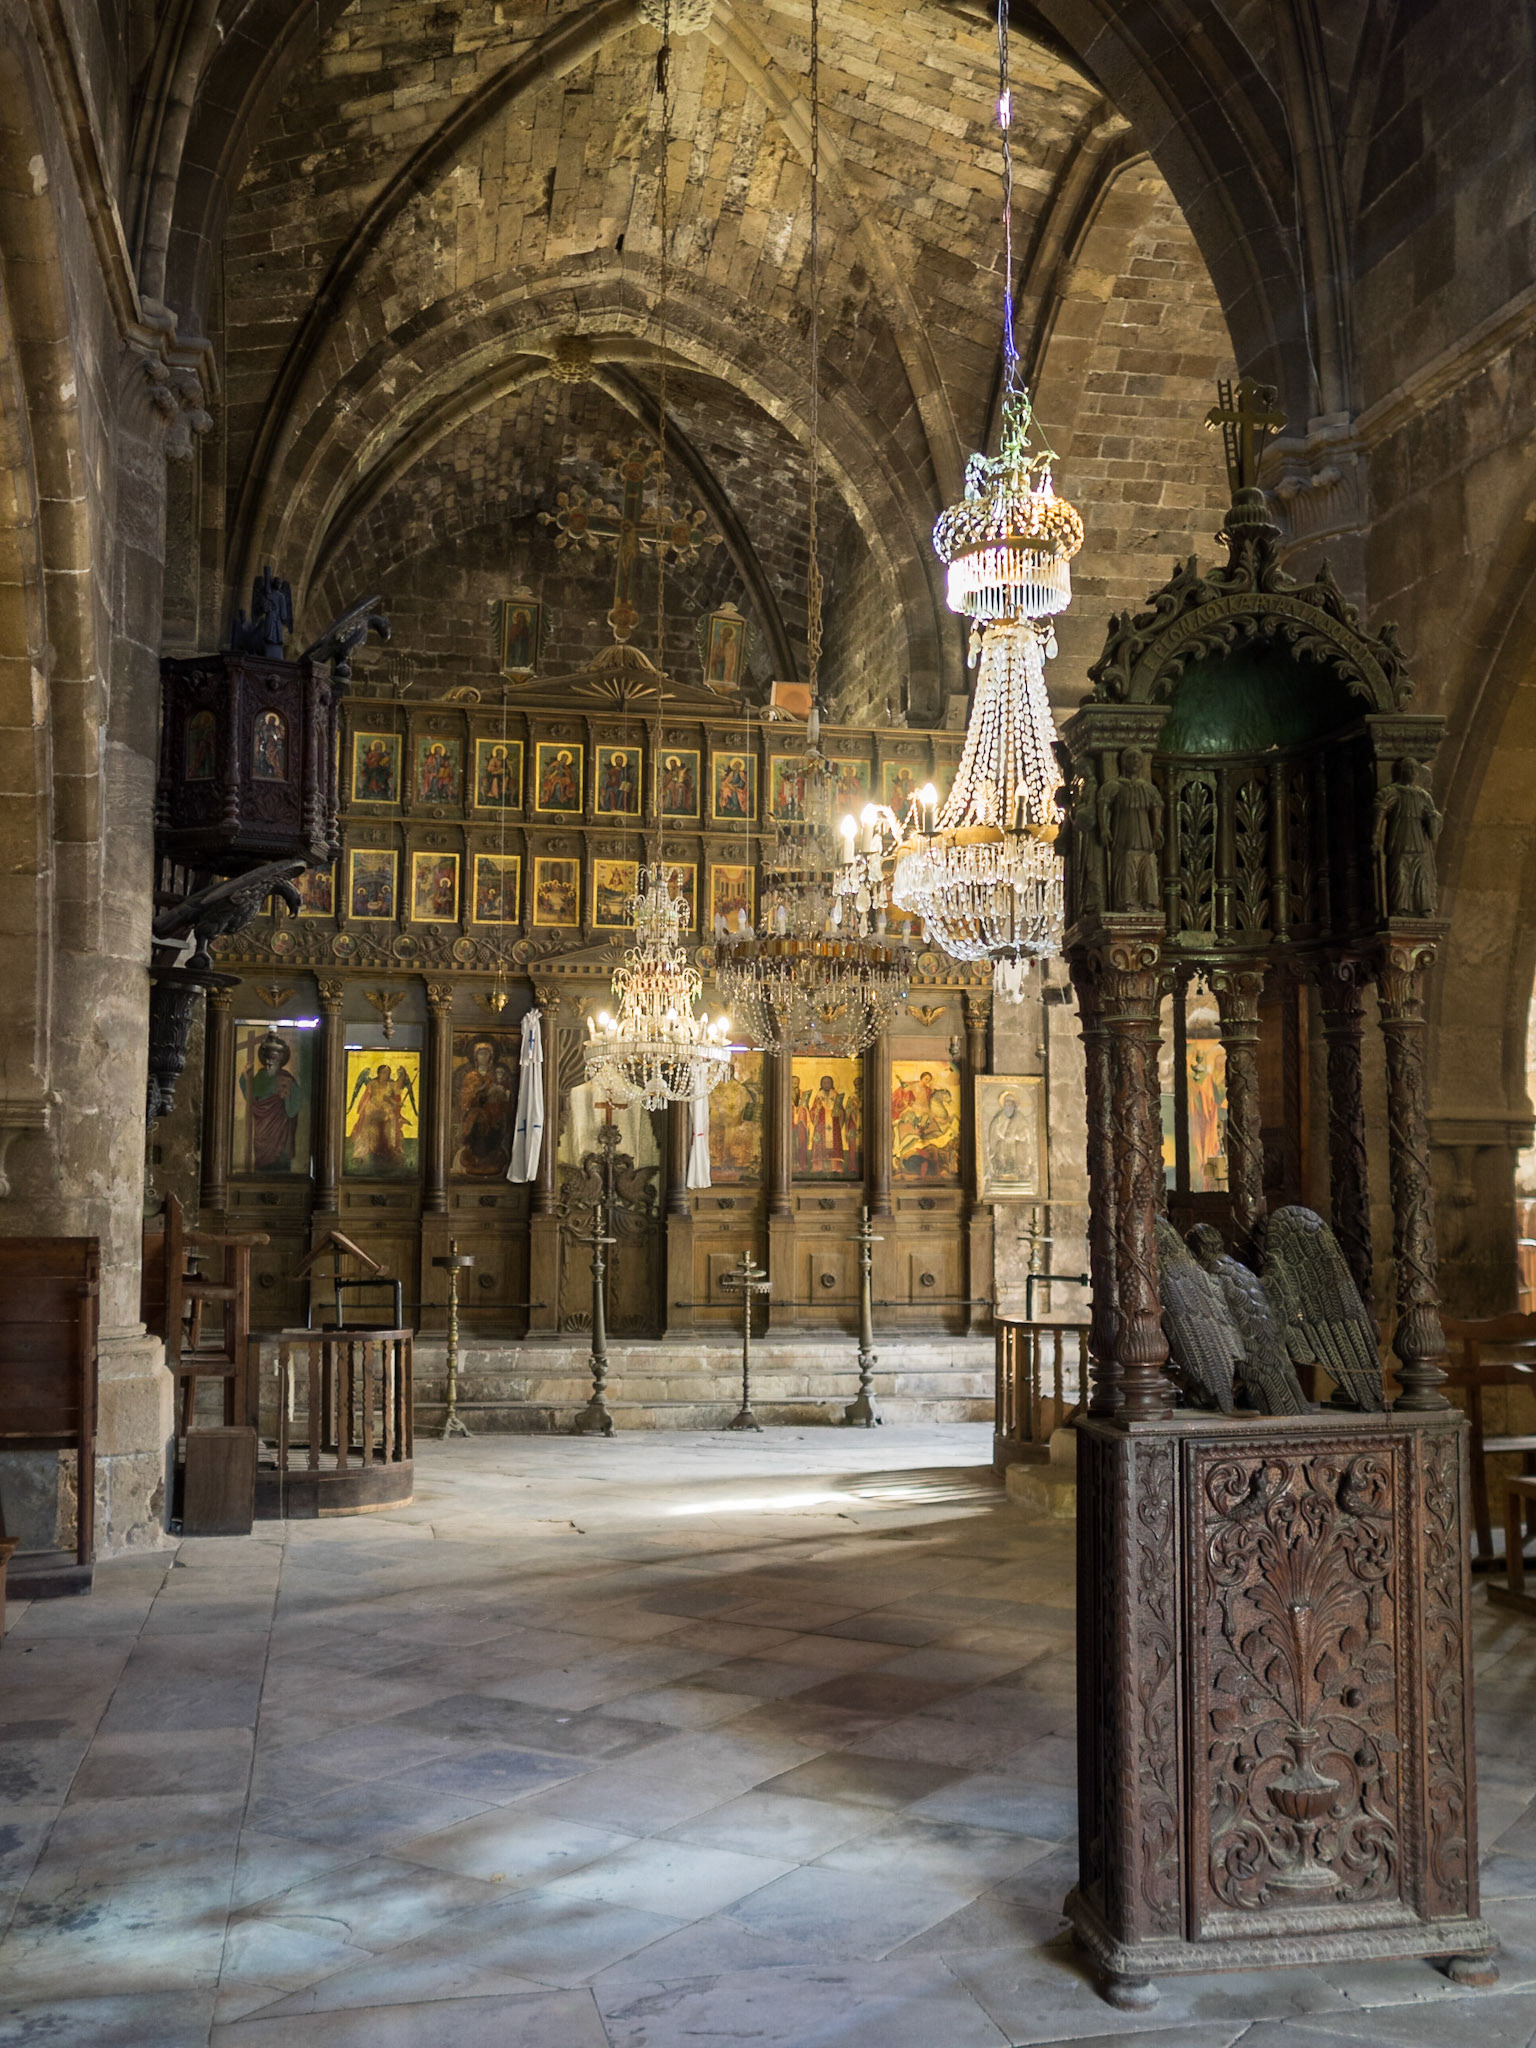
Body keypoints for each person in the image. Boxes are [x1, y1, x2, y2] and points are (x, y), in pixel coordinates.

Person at [240, 1032, 301, 1172]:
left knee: (279, 1165)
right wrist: (245, 1076)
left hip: (280, 1134)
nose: (269, 1062)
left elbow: (293, 1109)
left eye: (273, 1058)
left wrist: (286, 1100)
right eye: (267, 1058)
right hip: (262, 1133)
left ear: (280, 1060)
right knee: (261, 1167)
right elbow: (250, 1098)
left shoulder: (287, 1079)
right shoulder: (260, 1076)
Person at [357, 737, 396, 801]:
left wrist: (386, 764)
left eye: (379, 746)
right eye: (376, 746)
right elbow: (366, 761)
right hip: (371, 768)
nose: (378, 747)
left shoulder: (383, 754)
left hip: (382, 769)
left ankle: (381, 786)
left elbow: (386, 762)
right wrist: (371, 761)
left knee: (382, 773)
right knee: (373, 773)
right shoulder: (371, 753)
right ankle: (372, 788)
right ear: (374, 746)